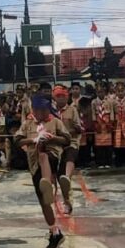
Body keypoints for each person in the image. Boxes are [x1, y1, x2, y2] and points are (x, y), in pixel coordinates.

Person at [16, 96, 70, 248]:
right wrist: (33, 140)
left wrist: (51, 138)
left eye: (44, 110)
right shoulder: (27, 123)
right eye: (38, 110)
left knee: (44, 156)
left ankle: (48, 182)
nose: (41, 113)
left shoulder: (55, 122)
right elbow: (17, 140)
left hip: (52, 157)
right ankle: (55, 232)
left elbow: (66, 139)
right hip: (34, 165)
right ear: (33, 110)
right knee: (43, 201)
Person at [53, 85, 80, 213]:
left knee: (70, 156)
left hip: (71, 142)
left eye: (63, 96)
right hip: (56, 145)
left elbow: (78, 128)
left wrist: (67, 132)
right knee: (59, 175)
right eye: (58, 96)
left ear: (67, 97)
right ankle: (65, 201)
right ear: (54, 97)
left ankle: (68, 177)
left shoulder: (72, 110)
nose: (61, 99)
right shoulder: (51, 111)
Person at [92, 82, 115, 169]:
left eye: (102, 92)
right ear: (96, 93)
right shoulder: (94, 102)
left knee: (108, 145)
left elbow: (111, 112)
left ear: (105, 92)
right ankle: (100, 162)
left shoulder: (109, 101)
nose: (100, 93)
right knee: (99, 145)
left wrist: (111, 123)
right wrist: (95, 123)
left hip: (107, 124)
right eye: (98, 92)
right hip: (99, 124)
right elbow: (93, 113)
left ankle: (108, 161)